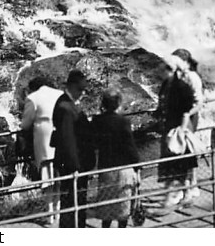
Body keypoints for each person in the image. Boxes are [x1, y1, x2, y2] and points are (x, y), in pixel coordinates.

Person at [157, 48, 202, 208]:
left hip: (180, 126)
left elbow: (188, 108)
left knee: (181, 159)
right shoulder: (168, 84)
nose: (158, 71)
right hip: (171, 125)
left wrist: (182, 130)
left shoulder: (183, 85)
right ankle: (178, 192)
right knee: (174, 160)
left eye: (162, 68)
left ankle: (183, 192)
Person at [90, 89, 140, 228]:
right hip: (123, 167)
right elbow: (130, 146)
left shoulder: (97, 120)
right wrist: (137, 165)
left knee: (107, 204)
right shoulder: (123, 121)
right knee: (122, 207)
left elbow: (94, 142)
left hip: (106, 168)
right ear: (118, 103)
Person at [52, 70, 93, 228]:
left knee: (75, 200)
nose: (82, 94)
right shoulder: (65, 107)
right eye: (80, 90)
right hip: (73, 165)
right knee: (73, 201)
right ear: (71, 87)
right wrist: (74, 166)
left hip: (75, 162)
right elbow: (67, 139)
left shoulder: (66, 103)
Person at [20, 76, 62, 225]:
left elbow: (25, 124)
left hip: (43, 140)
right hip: (61, 137)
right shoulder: (59, 94)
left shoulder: (33, 97)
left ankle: (50, 212)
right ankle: (59, 209)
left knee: (47, 176)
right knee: (59, 175)